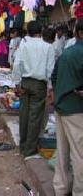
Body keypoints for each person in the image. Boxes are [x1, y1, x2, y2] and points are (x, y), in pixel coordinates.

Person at [12, 20, 55, 160]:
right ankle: (29, 150)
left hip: (25, 82)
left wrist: (17, 83)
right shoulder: (48, 47)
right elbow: (50, 70)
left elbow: (17, 64)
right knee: (35, 117)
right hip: (39, 85)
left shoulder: (24, 45)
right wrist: (50, 88)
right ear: (41, 31)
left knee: (24, 113)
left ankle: (23, 145)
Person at [51, 19, 83, 196]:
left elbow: (54, 77)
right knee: (79, 155)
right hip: (76, 109)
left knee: (63, 153)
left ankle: (61, 189)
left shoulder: (67, 52)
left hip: (61, 108)